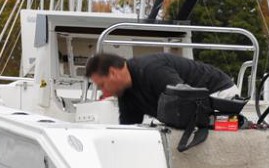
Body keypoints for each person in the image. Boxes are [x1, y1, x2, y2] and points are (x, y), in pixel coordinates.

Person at [85, 52, 237, 125]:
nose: (104, 93)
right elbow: (129, 128)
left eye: (102, 85)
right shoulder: (125, 93)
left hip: (219, 96)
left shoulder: (152, 69)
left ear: (113, 73)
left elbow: (184, 97)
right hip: (195, 106)